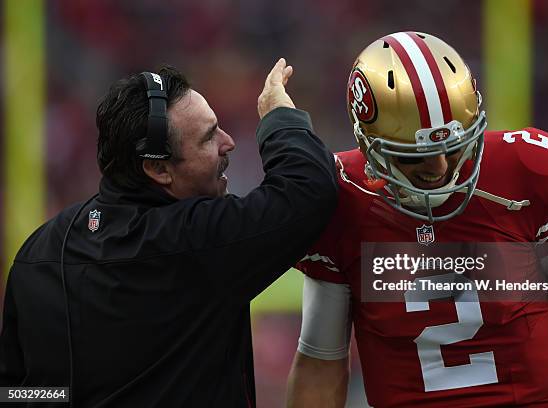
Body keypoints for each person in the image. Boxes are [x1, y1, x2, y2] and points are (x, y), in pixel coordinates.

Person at [287, 32, 548, 407]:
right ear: (367, 141)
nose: (438, 168)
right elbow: (321, 362)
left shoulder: (524, 175)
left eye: (452, 148)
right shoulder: (341, 198)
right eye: (415, 154)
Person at [0, 58, 338, 407]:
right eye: (209, 137)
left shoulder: (37, 253)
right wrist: (278, 117)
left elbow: (14, 391)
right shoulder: (192, 240)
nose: (228, 142)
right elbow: (309, 190)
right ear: (158, 169)